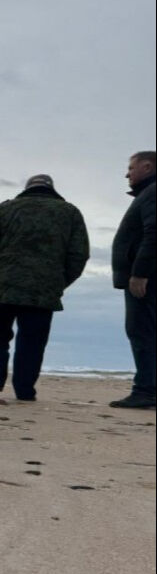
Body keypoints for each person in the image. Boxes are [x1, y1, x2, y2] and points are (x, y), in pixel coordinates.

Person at [0, 174, 90, 400]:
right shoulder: (70, 213)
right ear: (52, 189)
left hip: (4, 285)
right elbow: (79, 255)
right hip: (43, 290)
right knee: (33, 342)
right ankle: (25, 389)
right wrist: (59, 282)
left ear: (27, 188)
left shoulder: (5, 209)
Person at [109, 151, 156, 408]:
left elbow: (153, 233)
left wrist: (140, 273)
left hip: (147, 278)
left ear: (147, 167)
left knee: (142, 331)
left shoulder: (152, 193)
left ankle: (146, 391)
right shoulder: (147, 193)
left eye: (131, 168)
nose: (127, 174)